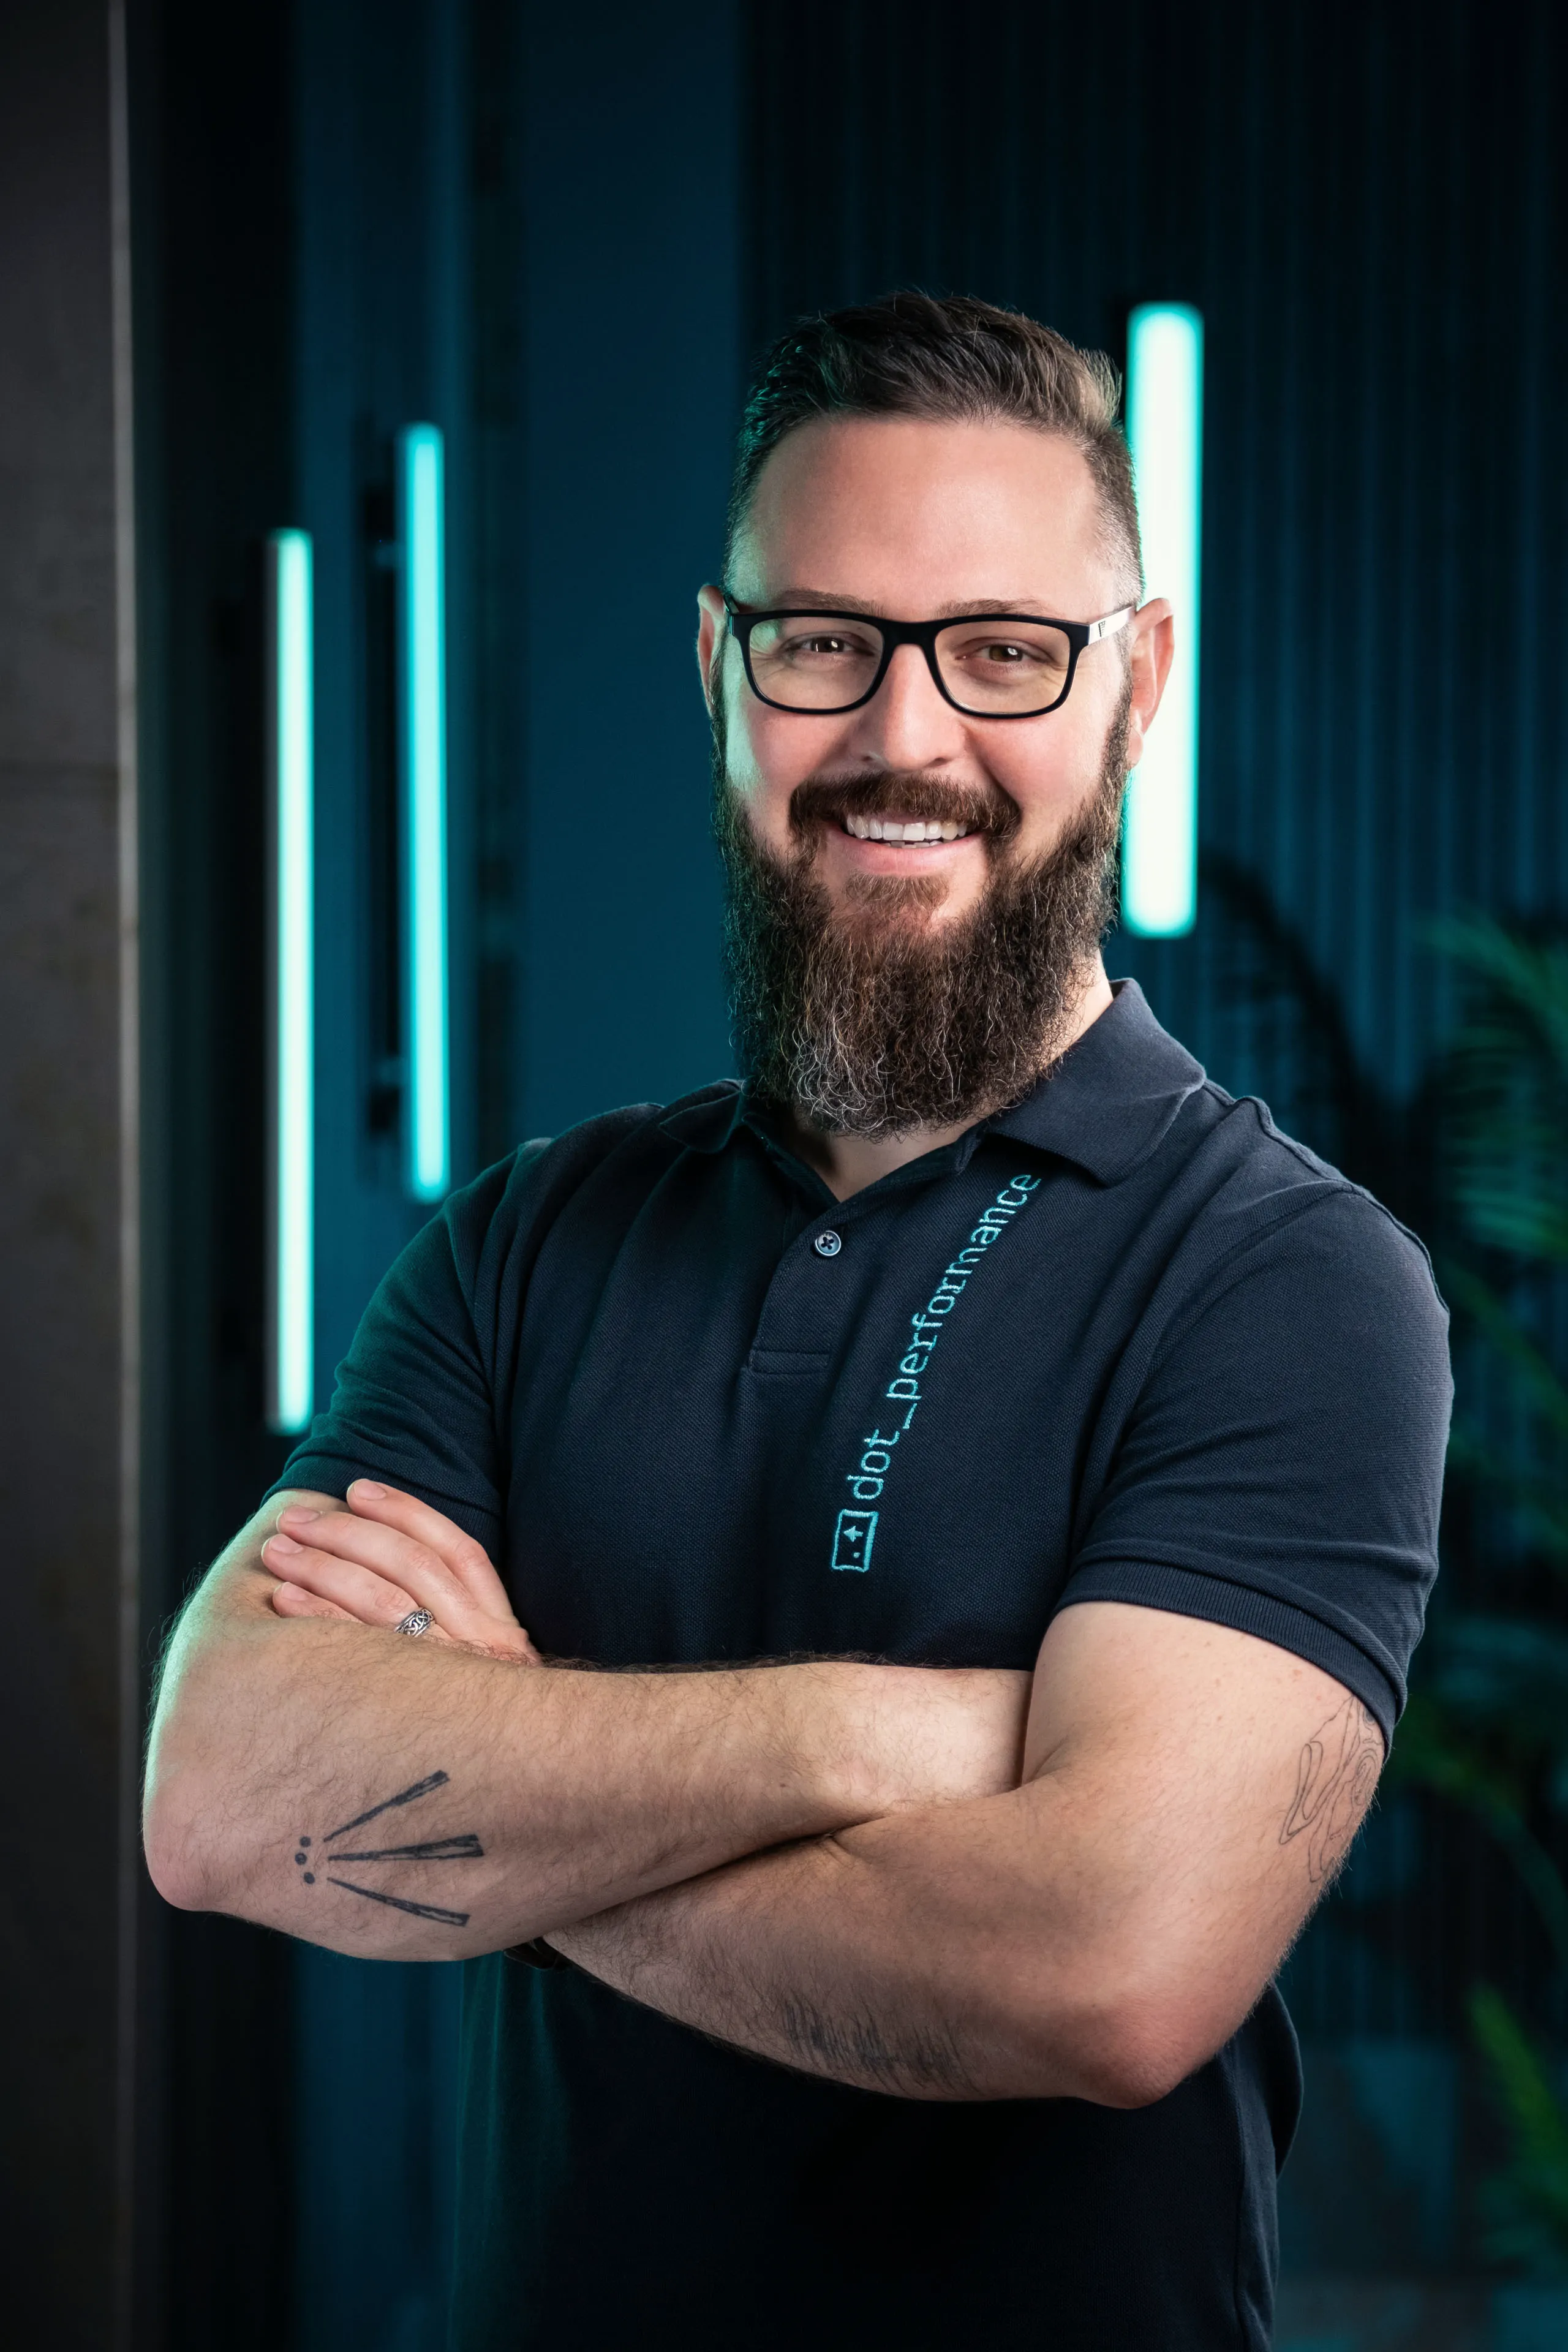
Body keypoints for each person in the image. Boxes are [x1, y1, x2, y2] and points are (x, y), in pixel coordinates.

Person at [143, 292, 1450, 2350]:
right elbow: (222, 1797)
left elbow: (1110, 1976)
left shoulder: (1287, 1281)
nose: (904, 738)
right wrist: (890, 1735)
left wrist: (517, 1777)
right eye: (823, 639)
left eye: (1004, 652)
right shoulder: (526, 1244)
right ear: (718, 670)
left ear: (1140, 688)